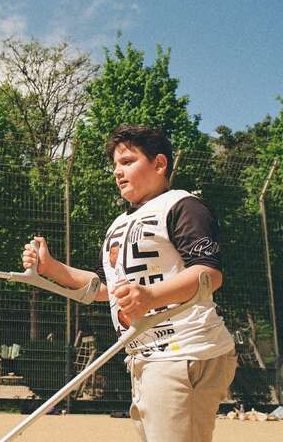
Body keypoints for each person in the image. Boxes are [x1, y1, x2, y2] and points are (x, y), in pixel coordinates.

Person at [22, 125, 236, 442]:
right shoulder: (119, 224)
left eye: (127, 162)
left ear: (159, 164)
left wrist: (149, 296)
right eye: (115, 166)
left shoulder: (182, 206)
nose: (117, 172)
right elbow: (105, 288)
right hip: (145, 357)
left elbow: (209, 274)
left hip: (185, 351)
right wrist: (51, 267)